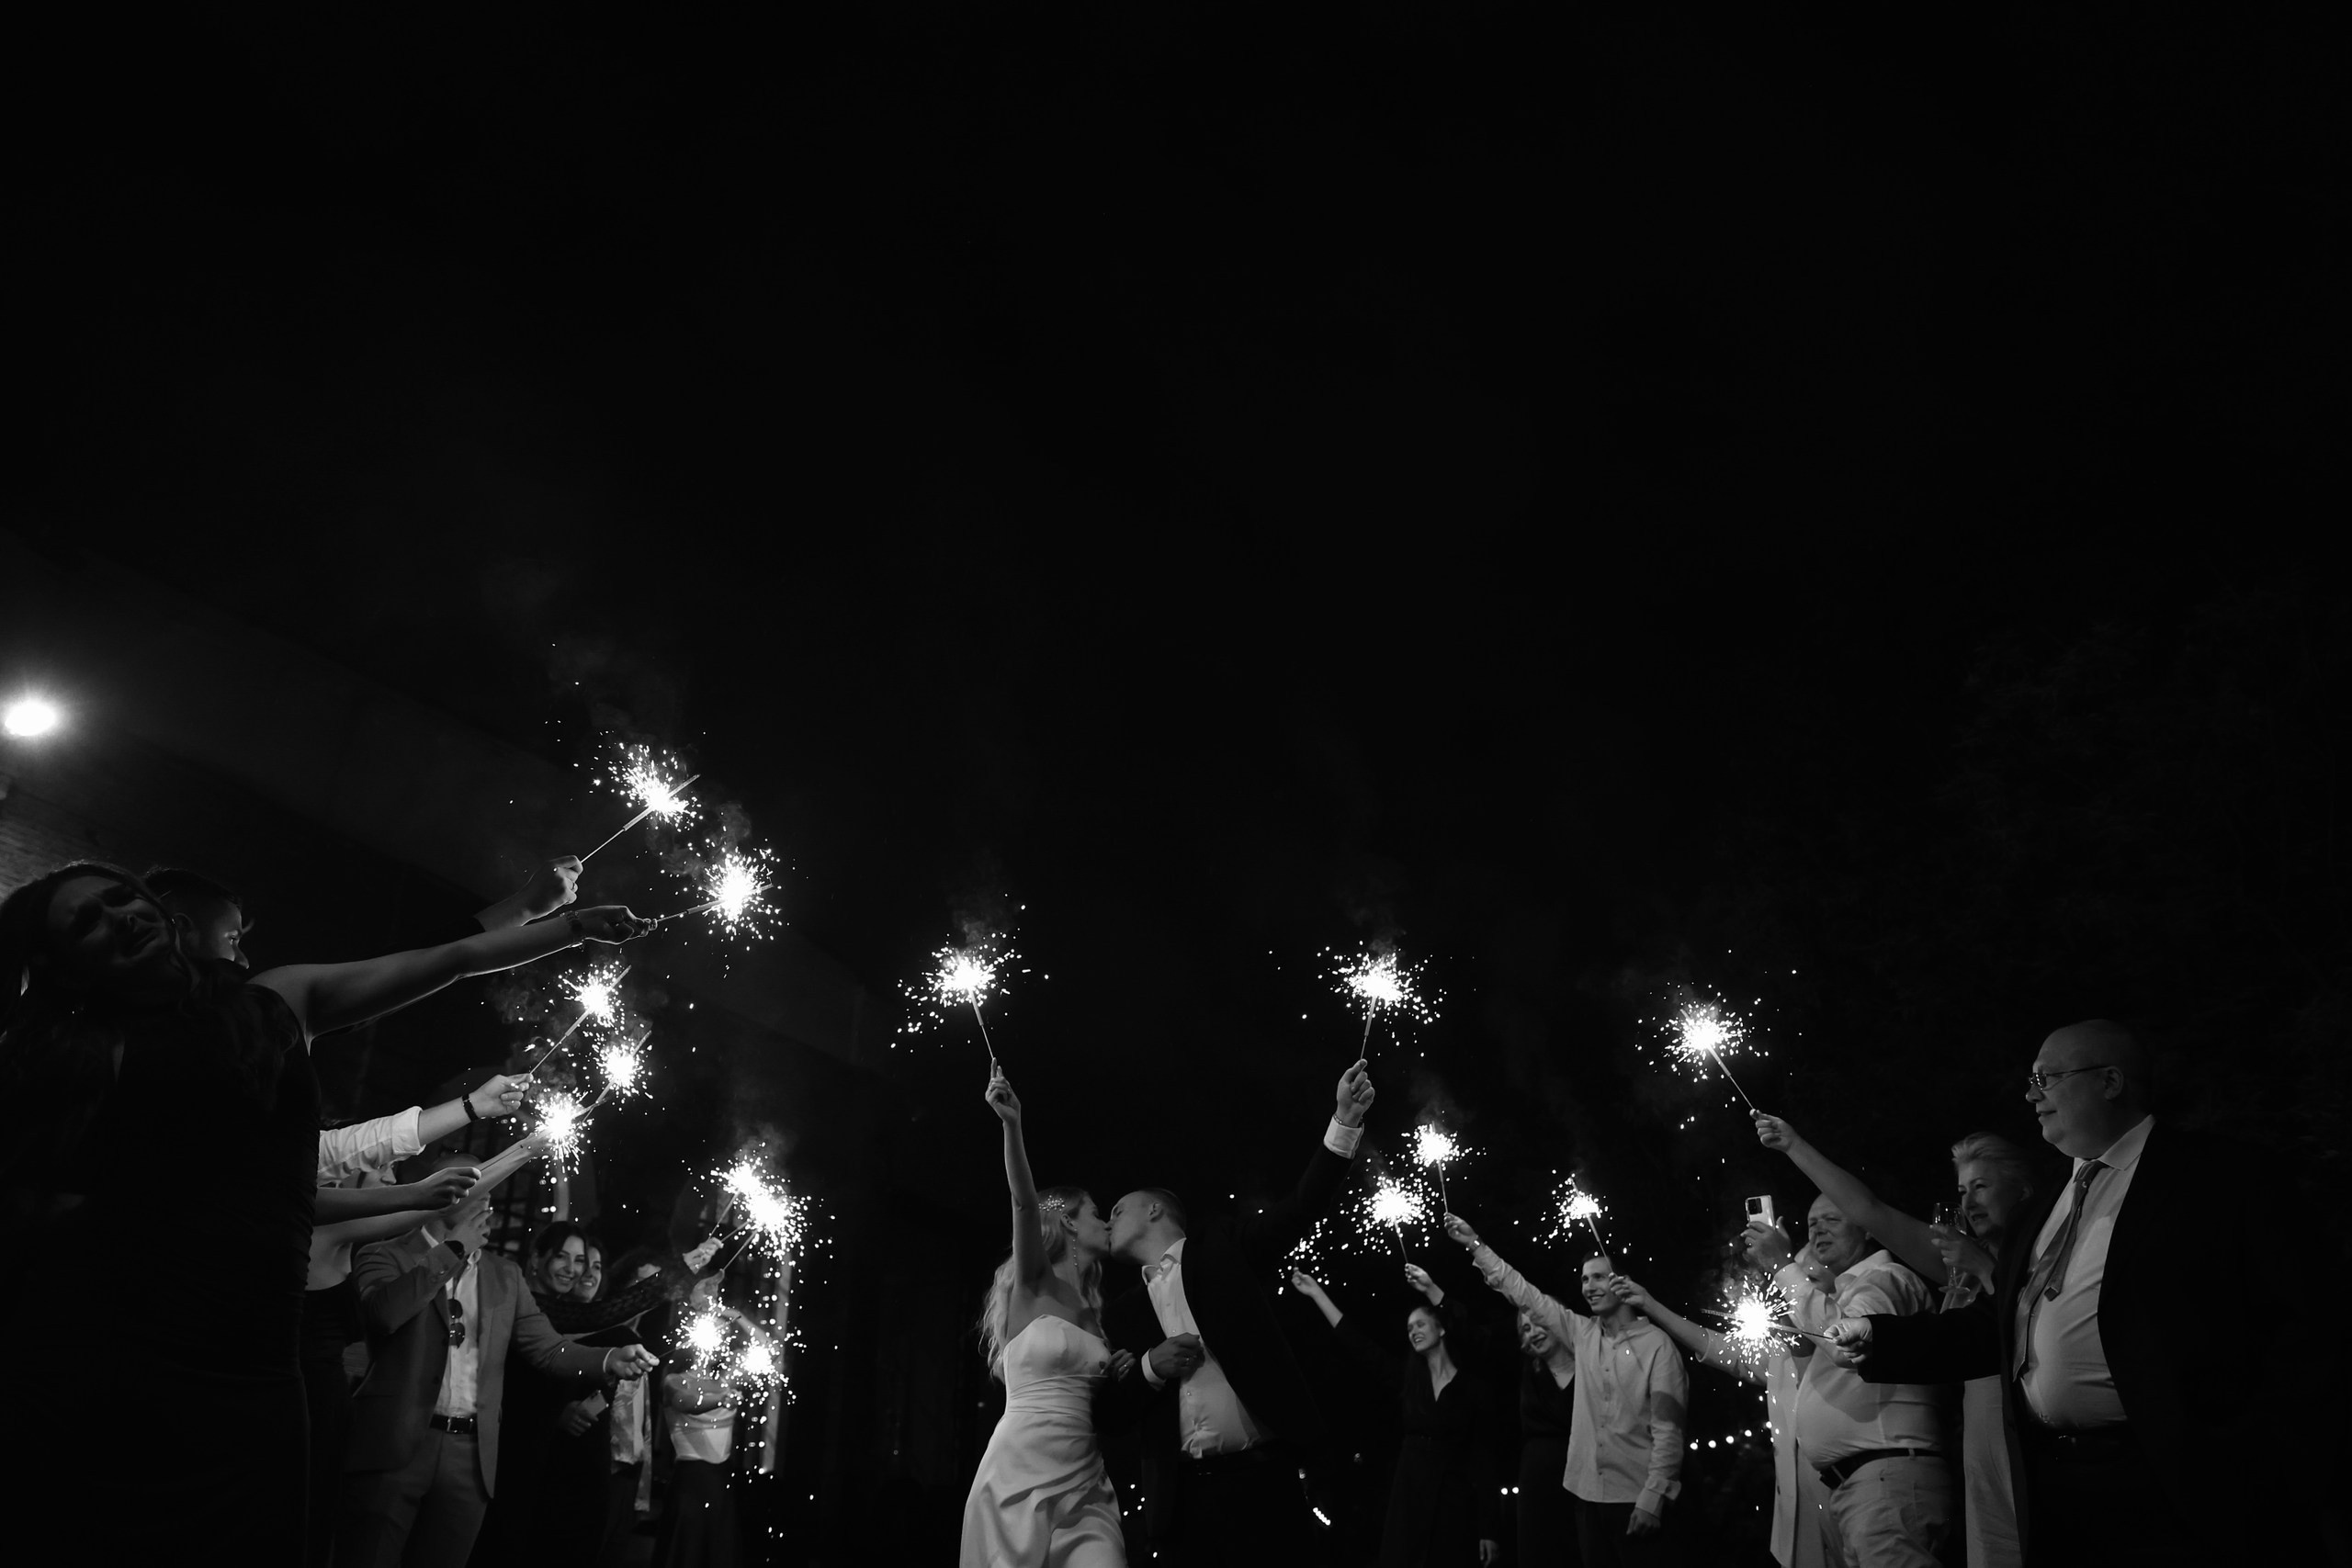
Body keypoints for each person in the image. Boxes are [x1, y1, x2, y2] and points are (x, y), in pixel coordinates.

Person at [0, 862, 639, 1564]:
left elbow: (447, 958)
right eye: (88, 919)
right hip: (123, 1361)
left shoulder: (276, 999)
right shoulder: (73, 1067)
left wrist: (570, 926)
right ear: (59, 966)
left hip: (259, 1366)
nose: (121, 915)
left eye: (122, 896)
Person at [1833, 1019, 2312, 1563]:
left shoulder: (2220, 1177)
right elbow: (1998, 1326)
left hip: (2182, 1483)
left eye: (2048, 1078)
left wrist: (2270, 1458)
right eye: (2031, 1081)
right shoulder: (2043, 1211)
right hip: (2060, 1490)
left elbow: (2301, 1327)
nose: (2031, 1094)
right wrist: (1876, 1336)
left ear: (2110, 1081)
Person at [1098, 1058, 1377, 1567]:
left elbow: (1298, 1207)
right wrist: (1149, 1369)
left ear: (1155, 1211)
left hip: (1264, 1484)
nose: (1108, 1221)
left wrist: (1345, 1121)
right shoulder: (1121, 1315)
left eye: (1118, 1209)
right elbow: (1111, 1415)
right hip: (1181, 1503)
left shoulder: (1221, 1247)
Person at [1753, 1113, 2040, 1568]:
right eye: (1963, 1191)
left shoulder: (2032, 1257)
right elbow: (1873, 1211)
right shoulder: (1957, 1270)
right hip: (1975, 1441)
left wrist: (1986, 1271)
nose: (1969, 1202)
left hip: (2021, 1432)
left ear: (2024, 1192)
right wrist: (1793, 1146)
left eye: (1981, 1187)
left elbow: (1872, 1214)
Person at [340, 1178, 662, 1568]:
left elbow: (546, 1347)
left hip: (470, 1455)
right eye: (479, 1198)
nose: (488, 1209)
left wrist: (609, 1358)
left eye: (490, 1199)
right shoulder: (384, 1254)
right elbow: (384, 1316)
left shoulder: (503, 1275)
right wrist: (452, 1250)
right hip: (398, 1442)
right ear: (445, 1199)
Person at [961, 1065, 1136, 1567]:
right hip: (1019, 1472)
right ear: (1067, 1224)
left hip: (1086, 1482)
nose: (1105, 1222)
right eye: (1096, 1212)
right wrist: (1012, 1126)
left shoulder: (1098, 1315)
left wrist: (1117, 1370)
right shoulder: (1034, 1283)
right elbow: (1022, 1203)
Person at [1441, 1216, 1685, 1566]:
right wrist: (1474, 1244)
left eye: (1598, 1276)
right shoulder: (1581, 1334)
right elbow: (1522, 1291)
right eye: (1585, 1279)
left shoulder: (1658, 1347)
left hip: (1635, 1501)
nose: (1589, 1286)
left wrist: (1654, 1497)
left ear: (1623, 1282)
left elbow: (1669, 1430)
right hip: (1586, 1500)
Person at [1604, 1255, 1826, 1568]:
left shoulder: (1849, 1343)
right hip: (1803, 1521)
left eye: (1806, 1282)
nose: (1787, 1298)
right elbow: (1719, 1347)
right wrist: (1650, 1304)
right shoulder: (1779, 1357)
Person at [1289, 1264, 1500, 1567]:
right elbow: (1360, 1346)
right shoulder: (1410, 1380)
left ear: (1441, 1328)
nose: (1413, 1331)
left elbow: (1483, 1459)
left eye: (1420, 1325)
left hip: (1453, 1499)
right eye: (1409, 1328)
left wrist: (1489, 1529)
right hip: (1409, 1494)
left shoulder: (1471, 1388)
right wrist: (1317, 1293)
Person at [1506, 1303, 1583, 1568]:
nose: (1533, 1332)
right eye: (1525, 1329)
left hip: (1584, 1475)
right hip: (1538, 1482)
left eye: (1538, 1323)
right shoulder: (1527, 1370)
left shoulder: (1590, 1366)